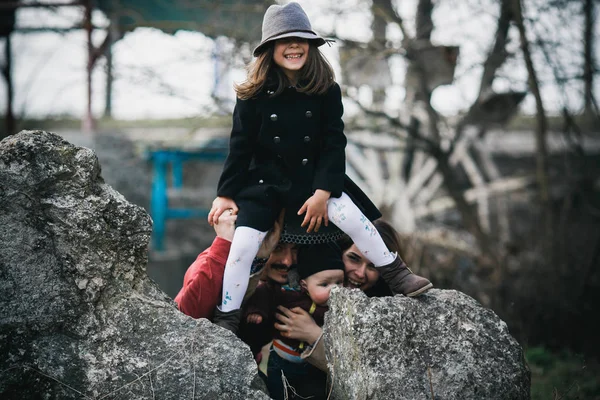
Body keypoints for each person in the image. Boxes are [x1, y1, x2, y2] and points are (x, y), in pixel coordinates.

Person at [207, 1, 432, 332]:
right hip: (266, 184)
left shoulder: (326, 90)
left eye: (301, 39)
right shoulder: (252, 96)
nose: (294, 46)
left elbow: (333, 143)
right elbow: (240, 147)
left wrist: (323, 192)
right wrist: (226, 194)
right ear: (269, 49)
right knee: (242, 244)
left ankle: (396, 273)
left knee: (355, 218)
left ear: (311, 47)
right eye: (284, 41)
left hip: (314, 179)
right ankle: (228, 315)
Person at [274, 219, 428, 372]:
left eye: (373, 266)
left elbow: (366, 372)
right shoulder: (299, 283)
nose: (360, 273)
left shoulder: (385, 311)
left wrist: (314, 335)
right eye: (353, 258)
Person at [243, 243, 345, 400]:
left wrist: (314, 333)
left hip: (312, 365)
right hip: (281, 359)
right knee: (277, 391)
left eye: (339, 283)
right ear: (304, 285)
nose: (334, 289)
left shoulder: (341, 308)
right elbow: (266, 293)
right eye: (324, 284)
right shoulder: (290, 295)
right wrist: (257, 311)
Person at [174, 210, 298, 320]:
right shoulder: (209, 265)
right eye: (278, 248)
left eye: (295, 250)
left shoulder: (303, 283)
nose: (288, 261)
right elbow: (184, 321)